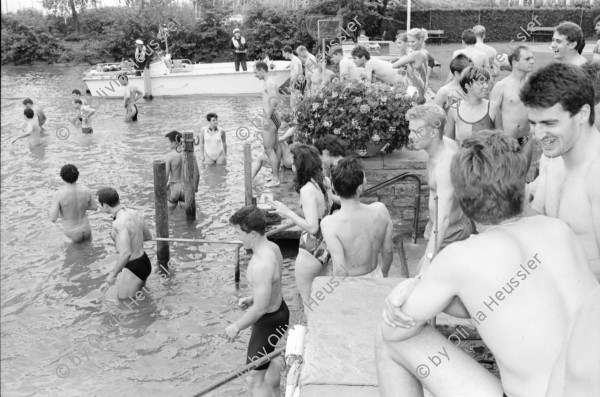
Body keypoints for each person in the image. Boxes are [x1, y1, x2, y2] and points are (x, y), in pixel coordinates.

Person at [375, 131, 600, 397]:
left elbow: (395, 329)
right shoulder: (560, 231)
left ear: (463, 201)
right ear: (525, 188)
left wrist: (414, 285)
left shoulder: (461, 258)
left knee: (386, 337)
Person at [521, 63, 600, 280]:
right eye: (533, 123)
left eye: (549, 123)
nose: (538, 135)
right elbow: (538, 223)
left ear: (582, 114)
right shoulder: (554, 160)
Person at [225, 205, 289, 397]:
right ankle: (277, 393)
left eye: (239, 233)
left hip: (268, 322)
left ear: (252, 233)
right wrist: (252, 297)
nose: (238, 237)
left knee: (253, 380)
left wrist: (236, 326)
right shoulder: (274, 248)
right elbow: (273, 285)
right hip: (279, 313)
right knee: (266, 362)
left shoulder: (262, 263)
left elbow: (260, 308)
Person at [407, 104, 474, 272]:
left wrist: (429, 258)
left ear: (434, 132)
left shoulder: (445, 165)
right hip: (436, 227)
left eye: (417, 132)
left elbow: (443, 219)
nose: (410, 136)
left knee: (425, 277)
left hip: (448, 232)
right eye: (411, 130)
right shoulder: (447, 144)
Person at [271, 144, 332, 306]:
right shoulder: (325, 182)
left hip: (310, 247)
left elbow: (312, 227)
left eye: (293, 162)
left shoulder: (307, 190)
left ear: (301, 165)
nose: (291, 165)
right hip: (325, 245)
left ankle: (308, 330)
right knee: (321, 299)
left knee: (307, 302)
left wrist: (286, 212)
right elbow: (322, 212)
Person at [320, 157, 394, 278]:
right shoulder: (380, 210)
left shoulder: (329, 223)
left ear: (333, 188)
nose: (366, 180)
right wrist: (384, 274)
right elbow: (388, 251)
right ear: (360, 188)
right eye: (365, 178)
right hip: (375, 275)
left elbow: (340, 270)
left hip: (348, 282)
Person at [98, 187, 153, 299]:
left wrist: (113, 275)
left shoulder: (119, 223)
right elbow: (148, 237)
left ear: (105, 205)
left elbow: (125, 253)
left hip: (133, 267)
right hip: (144, 261)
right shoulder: (135, 213)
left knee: (125, 306)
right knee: (141, 300)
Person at [489, 44, 535, 172]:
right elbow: (489, 116)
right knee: (504, 180)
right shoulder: (501, 86)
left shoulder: (533, 85)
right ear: (515, 62)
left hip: (526, 139)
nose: (532, 61)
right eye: (527, 59)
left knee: (522, 178)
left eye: (532, 58)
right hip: (506, 140)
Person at [446, 66, 502, 145]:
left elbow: (501, 142)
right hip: (462, 156)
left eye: (487, 82)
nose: (486, 86)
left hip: (487, 156)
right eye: (482, 83)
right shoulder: (454, 109)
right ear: (468, 86)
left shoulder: (493, 108)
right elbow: (449, 143)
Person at [49, 164, 99, 243]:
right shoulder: (86, 190)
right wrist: (81, 206)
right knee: (88, 253)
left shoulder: (58, 195)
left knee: (69, 254)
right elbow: (95, 207)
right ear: (77, 176)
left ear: (62, 177)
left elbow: (53, 218)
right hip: (86, 230)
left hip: (71, 233)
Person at [254, 61, 282, 187]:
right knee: (275, 146)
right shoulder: (269, 81)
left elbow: (274, 101)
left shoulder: (270, 83)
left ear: (261, 70)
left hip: (271, 117)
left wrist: (267, 118)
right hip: (275, 117)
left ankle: (275, 179)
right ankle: (275, 175)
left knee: (268, 148)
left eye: (256, 72)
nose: (255, 75)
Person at [392, 28, 430, 103]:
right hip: (419, 90)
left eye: (413, 41)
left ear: (420, 40)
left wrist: (400, 61)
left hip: (414, 92)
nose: (410, 44)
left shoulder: (415, 54)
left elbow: (395, 65)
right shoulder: (423, 52)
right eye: (408, 41)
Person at [165, 131, 185, 209]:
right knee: (185, 214)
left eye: (169, 142)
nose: (168, 144)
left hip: (173, 187)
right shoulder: (187, 154)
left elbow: (166, 176)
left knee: (170, 214)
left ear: (174, 142)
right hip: (185, 186)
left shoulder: (169, 156)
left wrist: (162, 190)